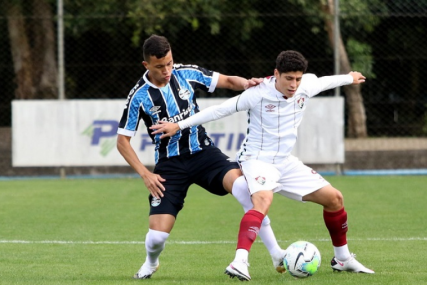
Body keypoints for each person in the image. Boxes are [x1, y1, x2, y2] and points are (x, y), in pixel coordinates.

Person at [152, 50, 375, 281]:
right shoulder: (258, 94)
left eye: (298, 78)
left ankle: (343, 259)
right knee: (263, 201)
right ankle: (240, 261)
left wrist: (349, 77)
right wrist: (179, 126)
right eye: (289, 78)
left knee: (335, 199)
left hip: (286, 162)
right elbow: (219, 110)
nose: (294, 84)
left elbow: (326, 81)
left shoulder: (305, 85)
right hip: (256, 160)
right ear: (276, 74)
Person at [116, 34, 286, 280]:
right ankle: (151, 262)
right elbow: (122, 141)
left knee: (242, 187)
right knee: (157, 238)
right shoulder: (139, 96)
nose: (166, 70)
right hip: (170, 165)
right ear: (146, 66)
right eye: (159, 66)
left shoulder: (187, 73)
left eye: (169, 63)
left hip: (204, 154)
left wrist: (247, 83)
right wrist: (146, 174)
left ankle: (277, 254)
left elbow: (226, 80)